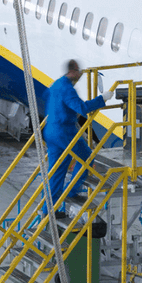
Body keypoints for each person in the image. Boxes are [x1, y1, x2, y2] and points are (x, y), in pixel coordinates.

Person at [43, 59, 116, 213]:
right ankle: (72, 191)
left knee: (57, 170)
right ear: (73, 71)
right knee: (87, 158)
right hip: (64, 132)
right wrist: (102, 99)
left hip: (51, 130)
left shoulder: (57, 83)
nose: (81, 75)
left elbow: (47, 97)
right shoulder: (68, 88)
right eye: (79, 71)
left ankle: (49, 210)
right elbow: (82, 108)